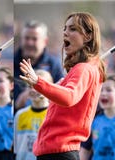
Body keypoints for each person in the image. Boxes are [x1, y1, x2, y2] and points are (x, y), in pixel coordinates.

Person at [18, 12, 106, 160]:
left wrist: (38, 82)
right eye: (65, 28)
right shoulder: (82, 68)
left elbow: (70, 97)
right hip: (55, 152)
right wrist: (56, 87)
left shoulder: (84, 68)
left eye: (73, 29)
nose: (65, 32)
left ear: (88, 36)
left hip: (60, 153)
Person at [13, 20, 64, 111]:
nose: (30, 43)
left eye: (34, 39)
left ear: (45, 41)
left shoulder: (54, 64)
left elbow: (61, 96)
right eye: (27, 38)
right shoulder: (12, 62)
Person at [80, 75, 115, 160]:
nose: (103, 93)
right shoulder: (93, 121)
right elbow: (85, 151)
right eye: (101, 90)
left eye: (109, 90)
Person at [13, 70, 52, 160]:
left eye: (38, 86)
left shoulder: (53, 115)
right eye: (30, 86)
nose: (33, 90)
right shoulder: (20, 115)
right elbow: (16, 148)